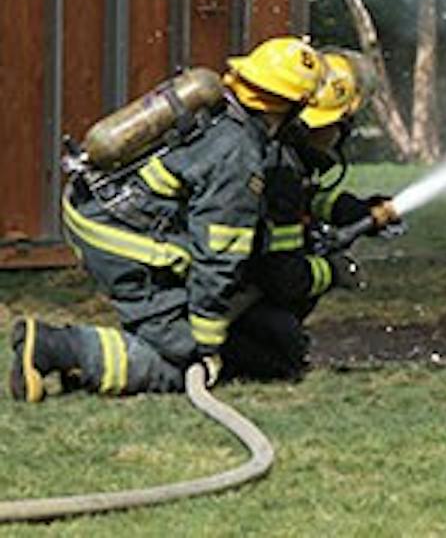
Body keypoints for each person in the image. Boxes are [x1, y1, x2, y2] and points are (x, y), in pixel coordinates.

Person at [8, 37, 325, 402]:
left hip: (100, 206)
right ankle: (55, 348)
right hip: (119, 238)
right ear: (290, 108)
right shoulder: (238, 156)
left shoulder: (220, 112)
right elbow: (219, 254)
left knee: (208, 343)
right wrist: (206, 344)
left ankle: (76, 355)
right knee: (181, 358)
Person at [221, 50, 399, 382]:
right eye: (339, 124)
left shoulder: (275, 155)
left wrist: (354, 210)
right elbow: (285, 279)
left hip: (200, 291)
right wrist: (334, 271)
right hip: (211, 305)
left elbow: (308, 199)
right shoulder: (279, 174)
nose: (341, 135)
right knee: (282, 350)